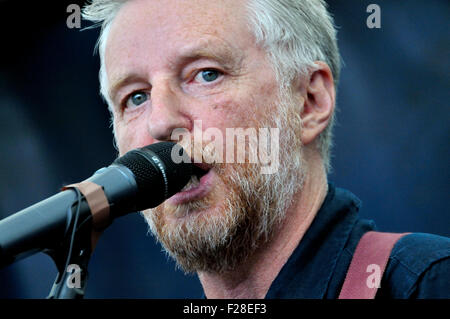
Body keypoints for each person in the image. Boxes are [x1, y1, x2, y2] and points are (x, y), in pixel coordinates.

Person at [81, 0, 450, 298]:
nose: (159, 122)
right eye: (135, 97)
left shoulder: (426, 283)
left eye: (206, 73)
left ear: (309, 101)